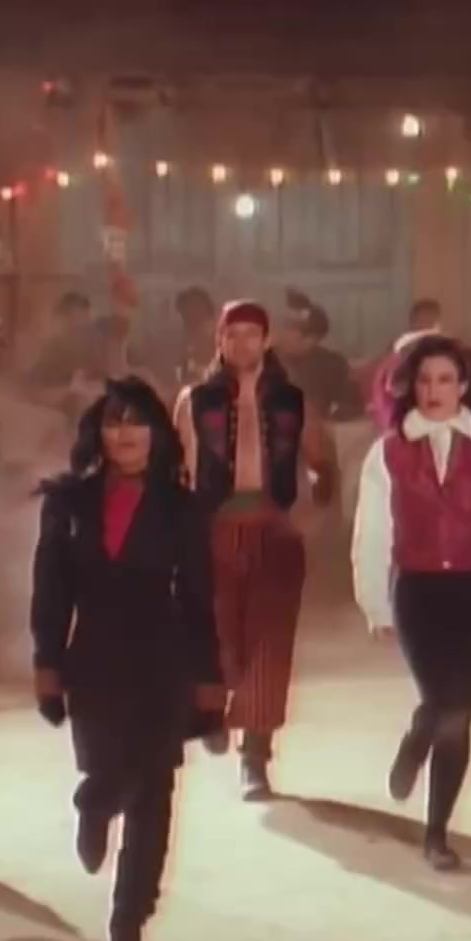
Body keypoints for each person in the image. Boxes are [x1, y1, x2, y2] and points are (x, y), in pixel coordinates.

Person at [29, 377, 224, 941]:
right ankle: (93, 803)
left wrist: (209, 679)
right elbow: (50, 592)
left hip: (163, 660)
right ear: (99, 433)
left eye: (137, 421)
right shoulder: (68, 503)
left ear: (158, 434)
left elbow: (198, 598)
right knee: (111, 775)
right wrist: (46, 664)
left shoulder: (183, 507)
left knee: (154, 791)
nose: (126, 433)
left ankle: (128, 923)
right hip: (93, 660)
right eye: (114, 422)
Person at [351, 335, 471, 869]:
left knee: (458, 716)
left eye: (446, 380)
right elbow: (371, 532)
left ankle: (437, 834)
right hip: (418, 593)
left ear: (463, 386)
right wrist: (374, 602)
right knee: (441, 702)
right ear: (410, 386)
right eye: (425, 380)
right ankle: (418, 736)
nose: (434, 391)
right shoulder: (387, 452)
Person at [173, 300, 336, 800]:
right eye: (232, 334)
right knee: (217, 636)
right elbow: (177, 472)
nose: (241, 343)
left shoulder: (291, 401)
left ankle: (256, 758)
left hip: (274, 531)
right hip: (213, 529)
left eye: (251, 334)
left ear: (266, 341)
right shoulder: (195, 400)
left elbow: (323, 463)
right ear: (219, 342)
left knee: (269, 645)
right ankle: (212, 711)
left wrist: (313, 508)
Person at [278, 299, 364, 421]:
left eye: (290, 327)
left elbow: (352, 405)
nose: (280, 332)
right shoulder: (263, 360)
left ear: (311, 339)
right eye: (283, 324)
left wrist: (329, 417)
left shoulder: (333, 365)